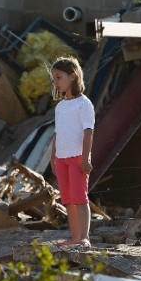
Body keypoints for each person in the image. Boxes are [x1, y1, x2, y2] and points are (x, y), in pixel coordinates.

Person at [49, 56, 94, 247]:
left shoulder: (84, 104)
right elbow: (57, 133)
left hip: (77, 159)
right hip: (61, 159)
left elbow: (88, 132)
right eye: (54, 79)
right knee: (68, 200)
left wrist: (85, 159)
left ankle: (84, 237)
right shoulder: (60, 107)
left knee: (80, 199)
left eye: (59, 77)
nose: (56, 83)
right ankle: (74, 237)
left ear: (73, 76)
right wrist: (53, 157)